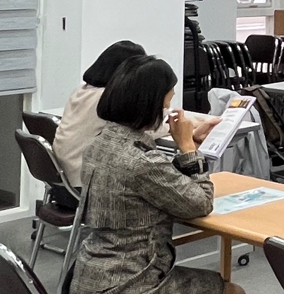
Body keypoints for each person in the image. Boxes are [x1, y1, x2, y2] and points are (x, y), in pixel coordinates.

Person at [62, 55, 248, 294]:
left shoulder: (101, 144)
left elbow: (150, 180)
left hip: (90, 283)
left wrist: (187, 147)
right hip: (128, 291)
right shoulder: (141, 162)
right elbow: (199, 203)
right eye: (167, 103)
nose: (169, 110)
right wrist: (188, 148)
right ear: (149, 105)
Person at [55, 40, 219, 192]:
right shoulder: (108, 98)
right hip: (86, 181)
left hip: (64, 175)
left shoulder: (83, 90)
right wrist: (186, 131)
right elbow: (148, 125)